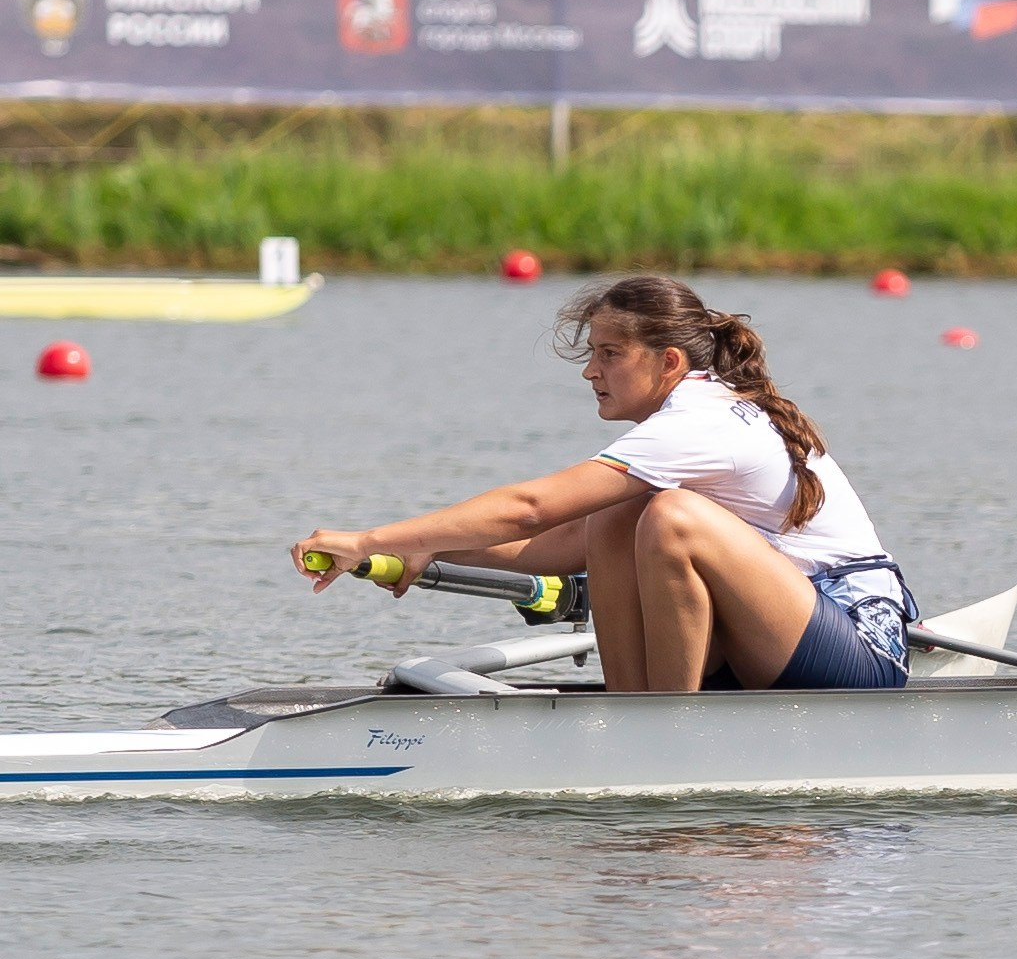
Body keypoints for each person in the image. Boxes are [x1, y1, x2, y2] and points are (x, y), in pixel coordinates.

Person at [291, 274, 914, 692]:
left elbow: (531, 509)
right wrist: (420, 548)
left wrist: (370, 536)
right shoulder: (687, 418)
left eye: (610, 353)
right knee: (619, 518)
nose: (590, 370)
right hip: (783, 633)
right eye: (592, 352)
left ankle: (665, 737)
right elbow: (564, 544)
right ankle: (638, 713)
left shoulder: (701, 420)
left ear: (669, 361)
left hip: (860, 642)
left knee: (670, 517)